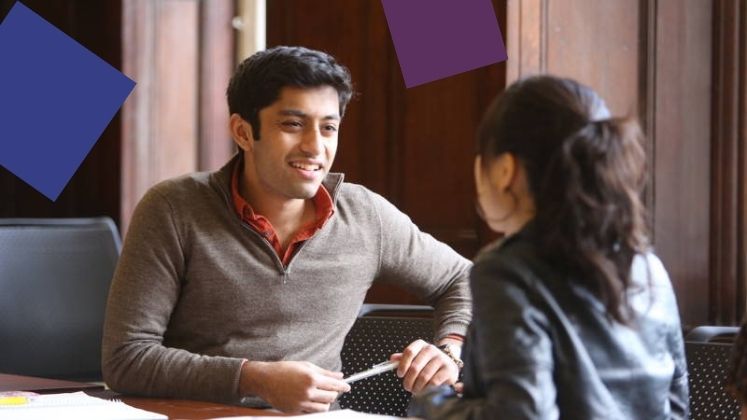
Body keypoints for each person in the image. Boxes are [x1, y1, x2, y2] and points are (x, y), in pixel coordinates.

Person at [102, 46, 471, 414]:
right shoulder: (172, 209)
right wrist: (253, 378)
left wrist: (450, 349)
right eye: (293, 125)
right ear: (243, 132)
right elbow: (126, 359)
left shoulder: (366, 216)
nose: (315, 147)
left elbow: (466, 279)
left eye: (328, 128)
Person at [409, 75, 689, 419]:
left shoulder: (507, 270)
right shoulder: (647, 264)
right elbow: (677, 408)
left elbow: (522, 415)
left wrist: (431, 402)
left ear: (505, 170)